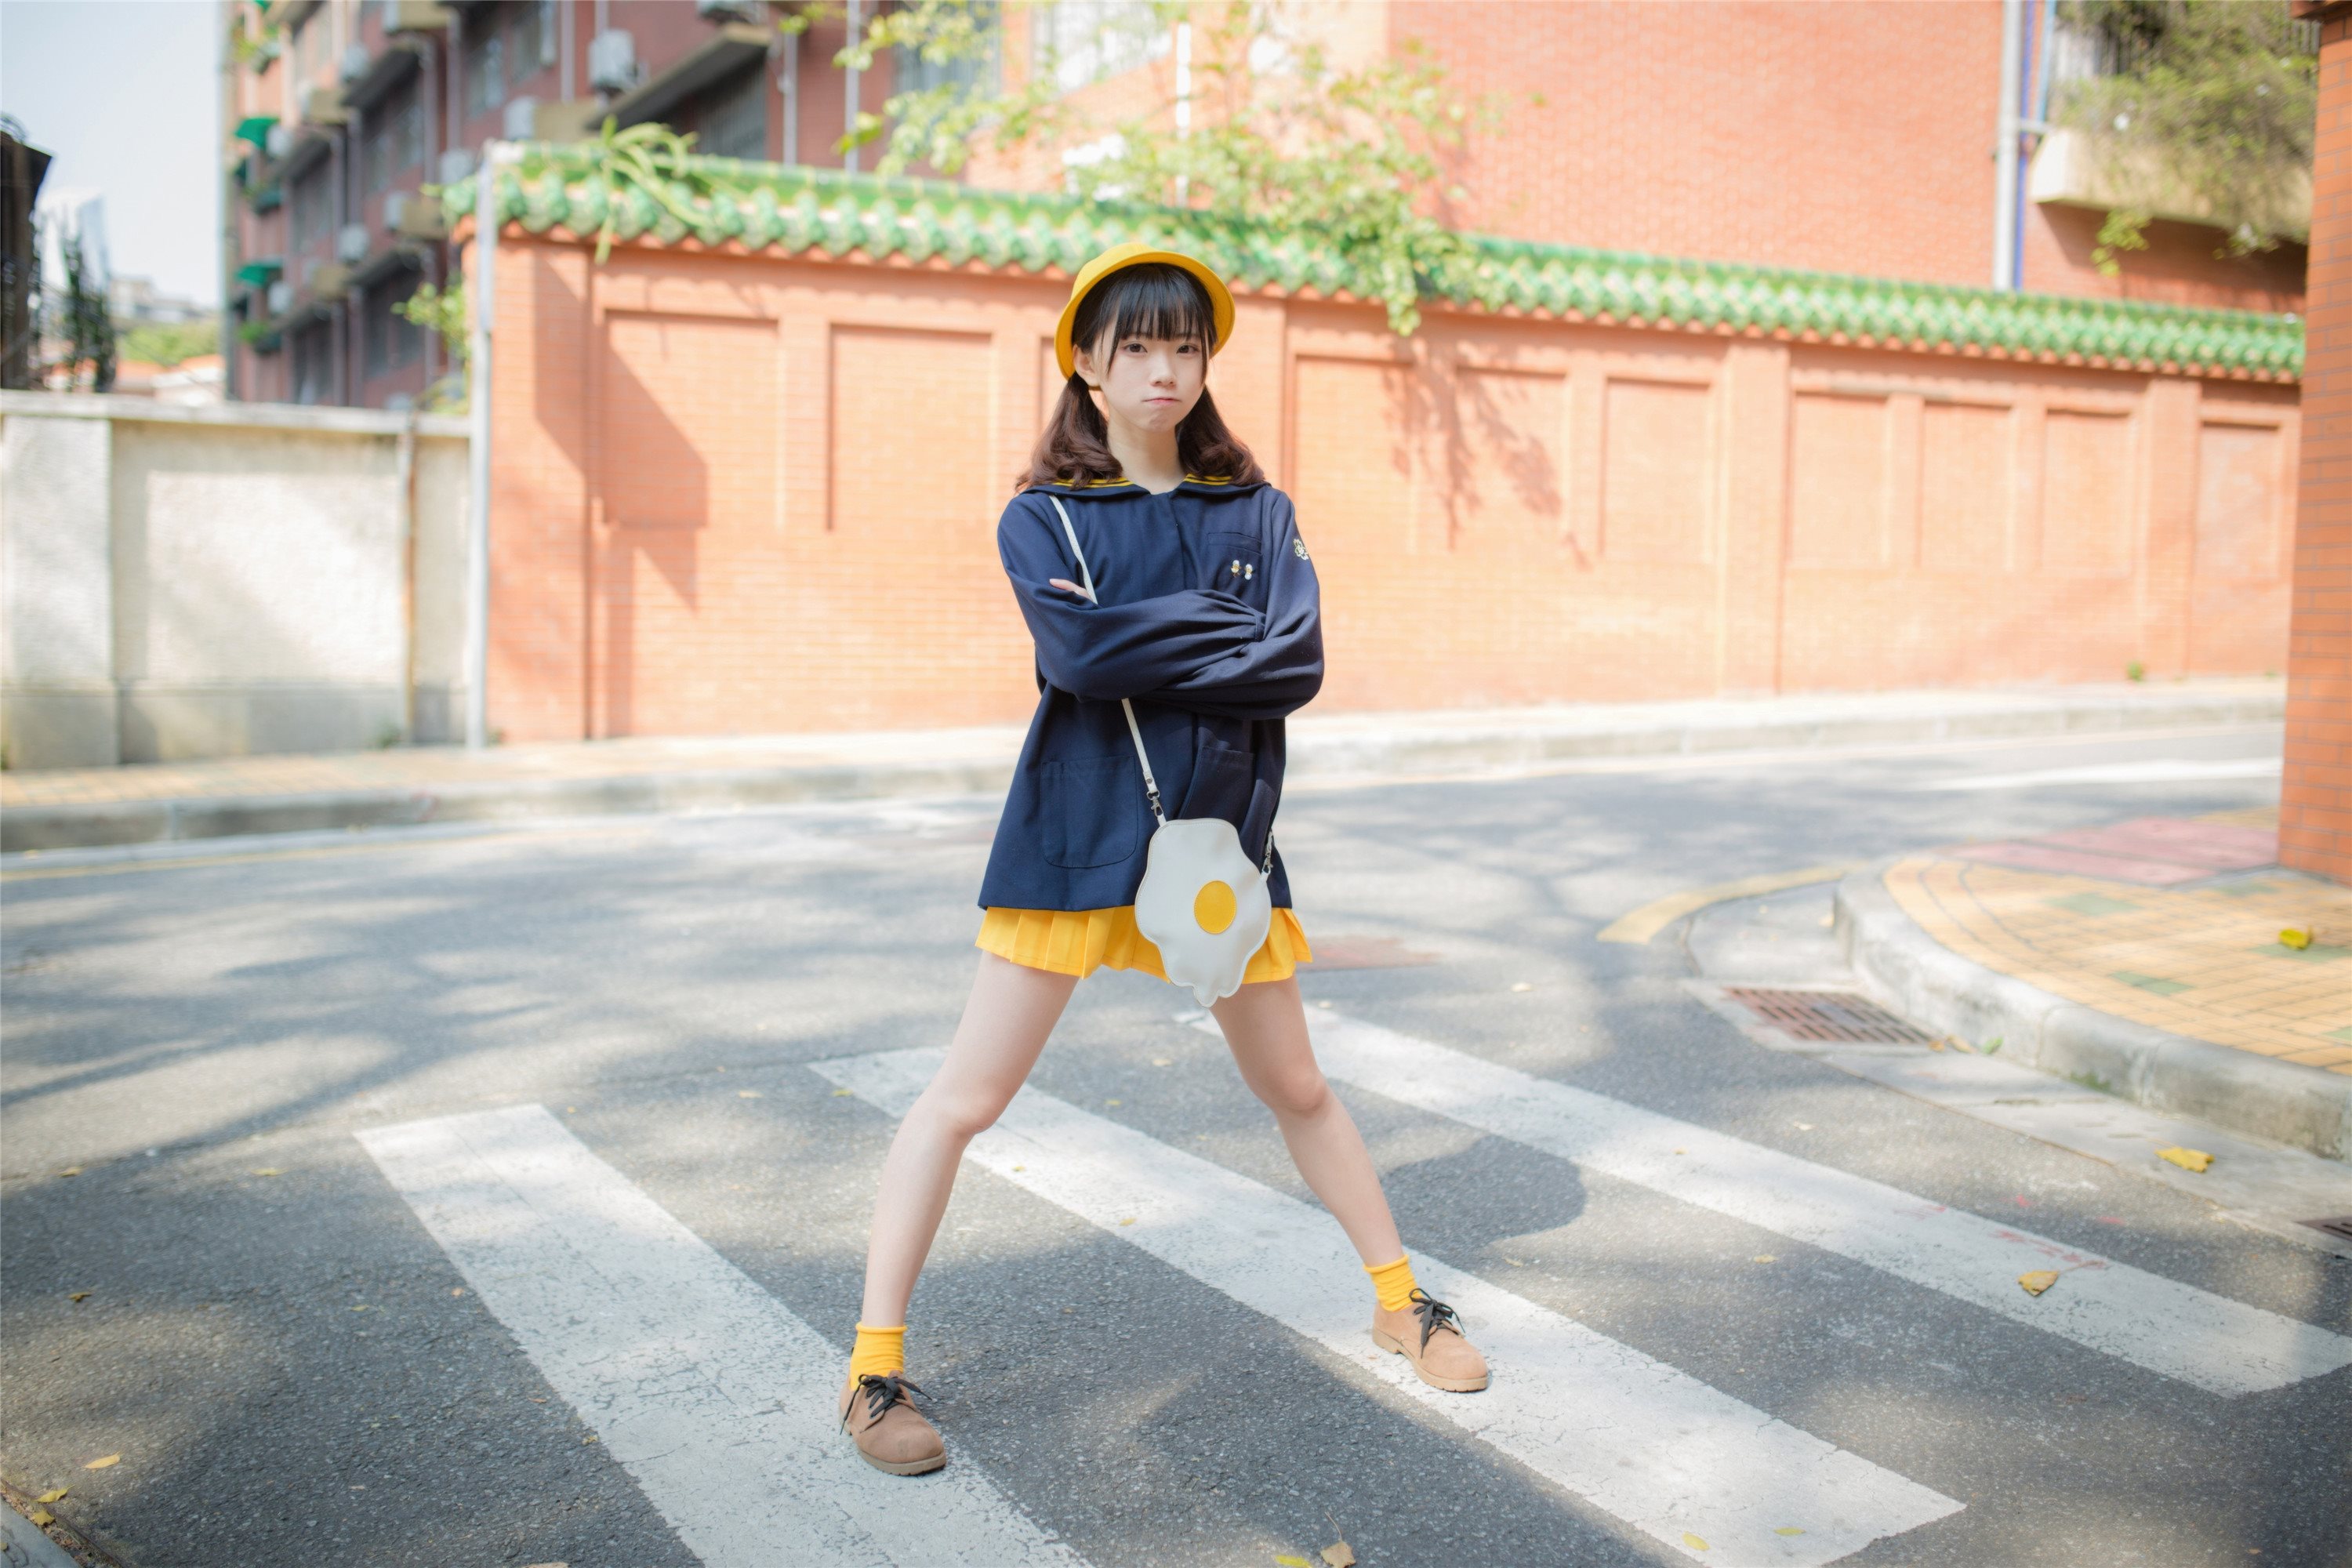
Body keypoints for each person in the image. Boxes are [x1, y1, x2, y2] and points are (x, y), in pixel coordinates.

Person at [840, 242, 1490, 1475]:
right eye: (1136, 346)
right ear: (1085, 362)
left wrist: (1145, 634)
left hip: (1217, 848)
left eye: (1185, 347)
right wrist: (1210, 625)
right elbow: (1078, 662)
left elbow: (1293, 665)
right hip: (1076, 835)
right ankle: (873, 1370)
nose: (1163, 371)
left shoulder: (1258, 511)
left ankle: (1401, 1301)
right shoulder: (1043, 519)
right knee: (966, 1100)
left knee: (1299, 1087)